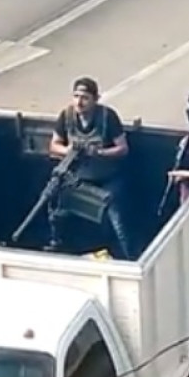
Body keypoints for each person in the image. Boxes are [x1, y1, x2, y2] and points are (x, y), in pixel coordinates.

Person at [47, 77, 134, 259]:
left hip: (107, 179)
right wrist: (68, 151)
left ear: (96, 99)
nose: (79, 102)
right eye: (76, 96)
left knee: (117, 219)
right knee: (58, 212)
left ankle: (128, 256)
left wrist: (99, 153)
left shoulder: (107, 117)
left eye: (85, 97)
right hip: (77, 179)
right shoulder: (66, 116)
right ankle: (58, 247)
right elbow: (54, 146)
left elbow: (122, 148)